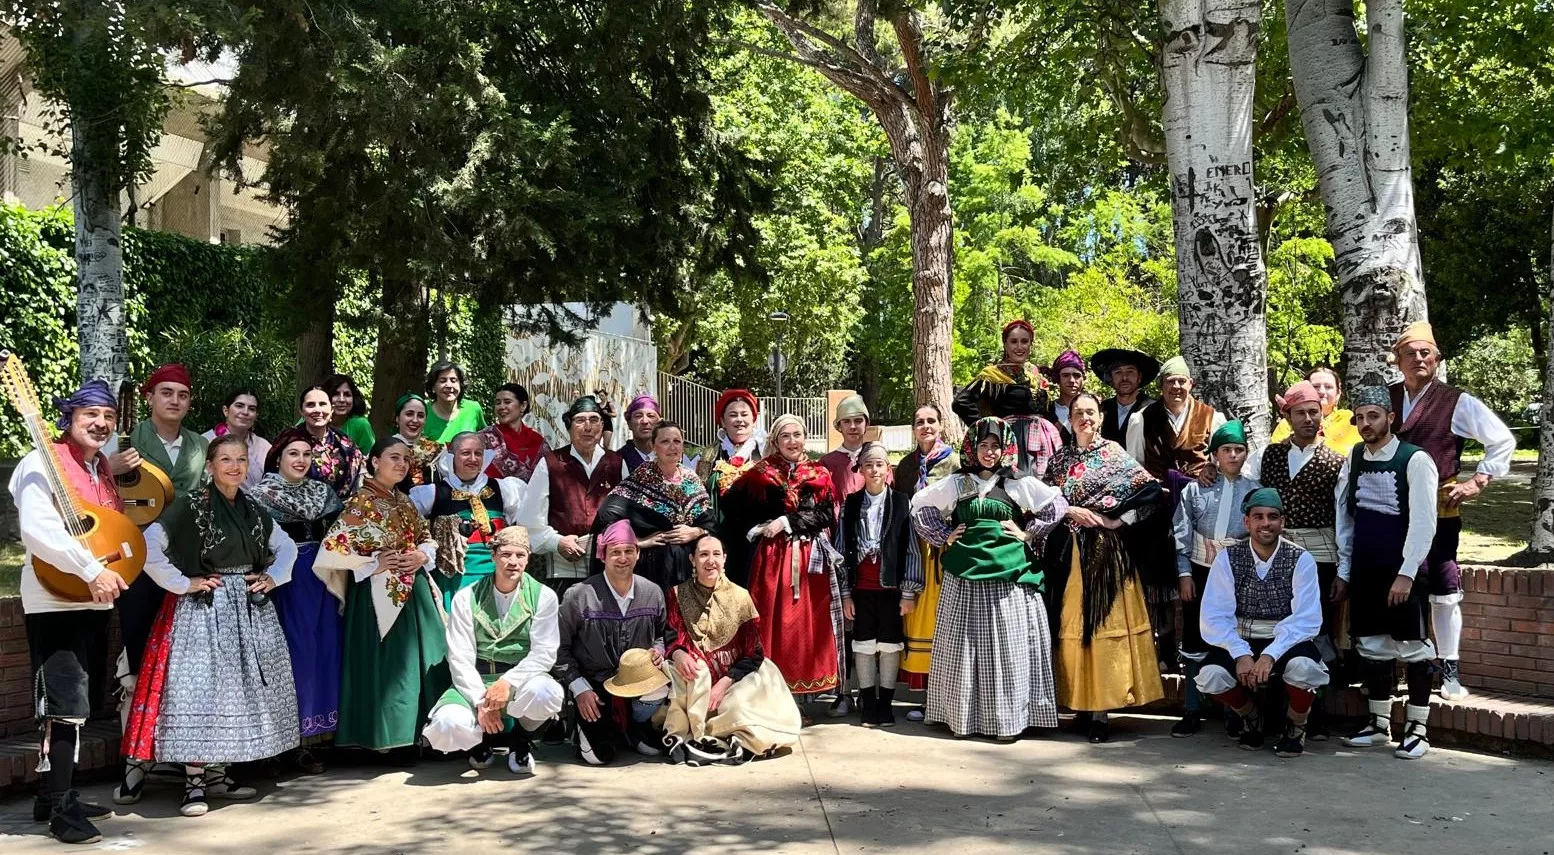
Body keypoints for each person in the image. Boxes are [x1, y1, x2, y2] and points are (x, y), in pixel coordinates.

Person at [118, 434, 299, 817]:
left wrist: (274, 577)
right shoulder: (190, 506)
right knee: (200, 693)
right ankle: (194, 784)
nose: (234, 467)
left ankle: (217, 775)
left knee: (234, 695)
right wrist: (183, 583)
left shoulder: (253, 508)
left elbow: (287, 546)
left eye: (241, 460)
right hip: (203, 610)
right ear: (211, 466)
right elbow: (149, 545)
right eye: (226, 460)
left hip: (247, 611)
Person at [11, 380, 127, 843]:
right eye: (90, 415)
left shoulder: (99, 468)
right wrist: (90, 570)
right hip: (55, 597)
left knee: (82, 703)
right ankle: (62, 809)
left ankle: (50, 795)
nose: (101, 424)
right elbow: (39, 530)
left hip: (93, 596)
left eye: (109, 416)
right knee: (63, 706)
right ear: (69, 417)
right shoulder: (40, 461)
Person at [910, 418, 1065, 741]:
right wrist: (944, 535)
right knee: (963, 648)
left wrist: (1027, 533)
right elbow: (920, 506)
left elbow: (1056, 506)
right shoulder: (958, 483)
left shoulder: (1017, 482)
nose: (990, 452)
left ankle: (1008, 721)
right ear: (972, 448)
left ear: (1006, 448)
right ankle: (963, 719)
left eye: (996, 446)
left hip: (1009, 577)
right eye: (983, 445)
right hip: (964, 576)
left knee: (1007, 648)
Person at [1388, 322, 1515, 700]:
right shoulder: (1387, 398)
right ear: (1398, 361)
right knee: (1397, 588)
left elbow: (1502, 440)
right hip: (1392, 512)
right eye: (1410, 353)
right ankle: (1402, 668)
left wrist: (1478, 481)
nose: (1419, 359)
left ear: (1437, 359)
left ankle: (1449, 670)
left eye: (1426, 353)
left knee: (1443, 589)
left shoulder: (1456, 401)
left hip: (1439, 510)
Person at [1036, 393, 1165, 744]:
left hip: (1106, 556)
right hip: (1067, 555)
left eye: (1090, 412)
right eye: (1078, 412)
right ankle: (1079, 703)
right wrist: (1068, 510)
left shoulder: (1115, 455)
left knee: (1102, 627)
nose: (1085, 418)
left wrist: (1116, 520)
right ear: (1070, 419)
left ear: (1101, 417)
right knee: (1070, 627)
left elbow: (1151, 494)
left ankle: (1101, 712)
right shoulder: (1059, 460)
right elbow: (1043, 501)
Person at [316, 437, 451, 757]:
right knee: (387, 665)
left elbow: (425, 537)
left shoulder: (404, 501)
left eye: (405, 459)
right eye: (394, 457)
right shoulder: (360, 503)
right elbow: (331, 550)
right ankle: (385, 739)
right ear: (375, 462)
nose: (402, 464)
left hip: (415, 592)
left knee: (423, 659)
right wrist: (372, 565)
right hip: (375, 595)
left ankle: (428, 734)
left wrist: (421, 555)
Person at [1335, 387, 1439, 760]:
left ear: (1390, 418)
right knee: (1372, 645)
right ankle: (1379, 724)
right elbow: (1345, 518)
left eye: (1373, 416)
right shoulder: (1354, 457)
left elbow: (1425, 522)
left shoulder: (1415, 460)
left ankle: (1418, 729)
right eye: (1360, 417)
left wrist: (1406, 573)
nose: (1366, 423)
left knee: (1413, 647)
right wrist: (1345, 570)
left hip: (1402, 572)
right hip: (1365, 570)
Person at [1243, 379, 1349, 727]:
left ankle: (1313, 715)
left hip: (1320, 556)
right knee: (1277, 626)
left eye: (1314, 412)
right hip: (1274, 554)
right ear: (1286, 416)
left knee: (1316, 629)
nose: (1308, 419)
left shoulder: (1337, 462)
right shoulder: (1268, 455)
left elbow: (1344, 518)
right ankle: (1273, 712)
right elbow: (1243, 486)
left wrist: (1344, 570)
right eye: (1300, 413)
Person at [720, 414, 844, 708]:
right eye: (785, 436)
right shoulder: (760, 473)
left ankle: (801, 695)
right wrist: (757, 529)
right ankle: (770, 693)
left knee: (805, 625)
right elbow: (732, 508)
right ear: (775, 441)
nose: (792, 441)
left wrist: (787, 522)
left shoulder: (819, 473)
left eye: (797, 435)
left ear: (805, 438)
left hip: (809, 559)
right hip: (773, 559)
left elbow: (826, 514)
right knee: (772, 621)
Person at [111, 363, 209, 737]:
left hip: (186, 555)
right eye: (166, 393)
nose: (174, 401)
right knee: (138, 640)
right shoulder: (125, 439)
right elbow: (94, 488)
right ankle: (137, 745)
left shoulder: (201, 445)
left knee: (184, 648)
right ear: (149, 397)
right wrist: (109, 466)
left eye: (182, 395)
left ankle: (178, 739)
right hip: (137, 555)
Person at [1195, 488, 1330, 758]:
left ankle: (1296, 724)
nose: (1266, 523)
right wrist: (1240, 653)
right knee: (1211, 676)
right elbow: (1215, 615)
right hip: (1241, 635)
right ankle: (1250, 716)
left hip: (1287, 638)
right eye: (1258, 517)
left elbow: (1306, 619)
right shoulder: (1227, 558)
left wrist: (1270, 655)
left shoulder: (1300, 559)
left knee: (1305, 670)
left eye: (1272, 517)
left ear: (1282, 522)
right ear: (1247, 522)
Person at [422, 526, 564, 776]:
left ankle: (521, 739)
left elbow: (544, 653)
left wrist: (508, 682)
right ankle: (479, 742)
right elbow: (460, 656)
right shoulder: (466, 597)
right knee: (447, 723)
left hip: (520, 680)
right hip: (476, 678)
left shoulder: (544, 596)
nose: (513, 562)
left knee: (546, 693)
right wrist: (482, 702)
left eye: (520, 555)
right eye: (506, 554)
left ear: (528, 558)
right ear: (493, 556)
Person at [250, 431, 346, 774]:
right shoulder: (259, 497)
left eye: (307, 454)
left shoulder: (323, 493)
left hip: (323, 577)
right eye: (294, 453)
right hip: (285, 581)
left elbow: (341, 534)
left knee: (323, 652)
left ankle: (313, 740)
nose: (301, 460)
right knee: (291, 656)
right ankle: (279, 744)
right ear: (278, 458)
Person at [663, 534, 802, 765]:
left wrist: (723, 684)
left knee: (739, 708)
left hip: (736, 677)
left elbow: (754, 653)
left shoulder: (740, 597)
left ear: (724, 559)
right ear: (692, 560)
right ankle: (690, 734)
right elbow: (671, 636)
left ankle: (730, 737)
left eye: (716, 554)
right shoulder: (677, 594)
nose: (711, 561)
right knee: (679, 683)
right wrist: (678, 653)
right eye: (703, 554)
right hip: (696, 678)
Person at [1124, 354, 1225, 666]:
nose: (1177, 387)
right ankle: (1165, 650)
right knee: (1160, 581)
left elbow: (1222, 462)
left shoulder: (1212, 417)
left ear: (1191, 384)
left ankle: (1202, 646)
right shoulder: (1142, 418)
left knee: (1197, 576)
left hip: (1200, 509)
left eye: (1182, 381)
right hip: (1158, 509)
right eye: (1170, 382)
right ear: (1161, 386)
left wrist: (1211, 469)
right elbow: (1133, 467)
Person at [553, 521, 670, 764]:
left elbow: (661, 634)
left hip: (637, 680)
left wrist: (658, 650)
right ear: (602, 555)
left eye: (629, 551)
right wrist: (579, 688)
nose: (623, 558)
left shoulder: (653, 592)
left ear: (638, 554)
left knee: (661, 687)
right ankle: (592, 728)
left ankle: (637, 726)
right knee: (599, 756)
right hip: (595, 684)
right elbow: (558, 647)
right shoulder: (579, 595)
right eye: (615, 552)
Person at [1170, 421, 1259, 737]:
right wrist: (1185, 574)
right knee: (1195, 638)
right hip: (1200, 571)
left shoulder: (1254, 490)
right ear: (1215, 455)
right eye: (1226, 450)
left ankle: (1233, 711)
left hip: (1237, 576)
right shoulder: (1196, 490)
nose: (1233, 455)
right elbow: (1182, 533)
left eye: (1239, 450)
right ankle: (1192, 709)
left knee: (1232, 637)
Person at [838, 442, 917, 728]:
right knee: (863, 645)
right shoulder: (851, 503)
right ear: (860, 470)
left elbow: (911, 549)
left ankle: (886, 705)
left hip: (891, 589)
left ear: (888, 470)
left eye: (879, 464)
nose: (874, 470)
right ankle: (869, 705)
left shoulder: (902, 502)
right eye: (868, 465)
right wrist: (845, 593)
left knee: (890, 645)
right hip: (861, 588)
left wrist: (908, 592)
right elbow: (841, 550)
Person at [518, 395, 629, 595]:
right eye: (580, 420)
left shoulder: (616, 463)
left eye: (594, 420)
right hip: (562, 569)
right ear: (569, 427)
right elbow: (529, 520)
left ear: (602, 425)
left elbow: (627, 514)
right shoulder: (551, 463)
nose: (588, 427)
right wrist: (557, 542)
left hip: (608, 567)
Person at [892, 404, 959, 721]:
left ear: (941, 425)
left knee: (944, 619)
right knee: (919, 619)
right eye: (919, 422)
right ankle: (927, 697)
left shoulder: (955, 462)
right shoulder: (906, 466)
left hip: (945, 550)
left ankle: (948, 697)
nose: (926, 426)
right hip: (915, 550)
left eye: (931, 420)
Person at [592, 421, 715, 590]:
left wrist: (696, 532)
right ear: (653, 446)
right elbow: (608, 514)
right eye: (665, 441)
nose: (672, 447)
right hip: (654, 568)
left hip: (689, 568)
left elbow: (710, 523)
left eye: (677, 441)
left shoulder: (691, 479)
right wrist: (637, 541)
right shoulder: (642, 476)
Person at [410, 431, 526, 609]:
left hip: (498, 575)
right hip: (455, 579)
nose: (473, 459)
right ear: (452, 457)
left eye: (478, 453)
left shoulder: (504, 489)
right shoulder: (431, 494)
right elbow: (406, 524)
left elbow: (524, 524)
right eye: (465, 453)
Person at [952, 319, 1065, 479]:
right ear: (1005, 344)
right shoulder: (993, 375)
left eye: (1024, 341)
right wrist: (989, 428)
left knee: (1043, 485)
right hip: (1014, 439)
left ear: (1030, 344)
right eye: (1013, 341)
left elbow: (1046, 412)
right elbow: (961, 402)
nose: (1019, 347)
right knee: (1016, 484)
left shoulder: (1034, 375)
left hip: (1043, 441)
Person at [693, 389, 764, 581]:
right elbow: (698, 495)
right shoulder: (707, 456)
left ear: (753, 419)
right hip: (718, 537)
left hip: (758, 540)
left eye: (744, 414)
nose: (739, 420)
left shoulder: (766, 453)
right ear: (723, 422)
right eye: (733, 415)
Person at [294, 386, 367, 501]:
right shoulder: (288, 441)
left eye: (322, 404)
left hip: (341, 509)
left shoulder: (346, 445)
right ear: (301, 410)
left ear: (332, 409)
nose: (317, 410)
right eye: (310, 405)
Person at [1270, 367, 1361, 453]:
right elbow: (1275, 454)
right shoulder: (1288, 423)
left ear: (1338, 394)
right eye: (1316, 386)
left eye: (1328, 387)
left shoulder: (1350, 420)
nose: (1322, 391)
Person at [201, 388, 271, 489]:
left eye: (251, 409)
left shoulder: (263, 446)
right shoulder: (205, 441)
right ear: (226, 410)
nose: (245, 412)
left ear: (256, 416)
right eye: (239, 406)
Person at [819, 393, 882, 504]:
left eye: (858, 421)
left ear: (867, 424)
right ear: (839, 426)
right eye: (846, 421)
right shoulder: (826, 464)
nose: (852, 427)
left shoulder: (878, 460)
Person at [1089, 349, 1159, 445]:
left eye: (1130, 371)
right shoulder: (1102, 409)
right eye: (1118, 372)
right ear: (1111, 378)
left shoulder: (1154, 409)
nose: (1124, 378)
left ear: (1139, 377)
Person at [481, 383, 547, 481]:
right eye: (498, 403)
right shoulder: (484, 437)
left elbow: (550, 474)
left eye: (507, 402)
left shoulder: (537, 440)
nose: (501, 407)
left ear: (523, 406)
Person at [391, 392, 443, 491]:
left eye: (420, 416)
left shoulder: (438, 452)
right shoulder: (385, 449)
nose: (415, 420)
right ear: (397, 418)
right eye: (409, 414)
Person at [423, 360, 486, 442]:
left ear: (460, 384)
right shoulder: (423, 412)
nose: (449, 385)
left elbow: (486, 439)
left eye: (453, 380)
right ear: (433, 387)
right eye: (442, 381)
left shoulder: (473, 409)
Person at [321, 373, 376, 453]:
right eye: (336, 394)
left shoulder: (361, 424)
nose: (342, 399)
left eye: (347, 395)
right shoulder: (312, 420)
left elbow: (372, 457)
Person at [1046, 349, 1087, 440]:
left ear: (1083, 379)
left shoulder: (1092, 410)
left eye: (1076, 375)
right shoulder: (1047, 411)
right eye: (1065, 375)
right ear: (1057, 378)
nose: (1071, 380)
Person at [619, 394, 663, 472]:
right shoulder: (617, 460)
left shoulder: (672, 457)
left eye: (651, 416)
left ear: (660, 423)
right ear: (629, 423)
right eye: (638, 416)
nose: (645, 421)